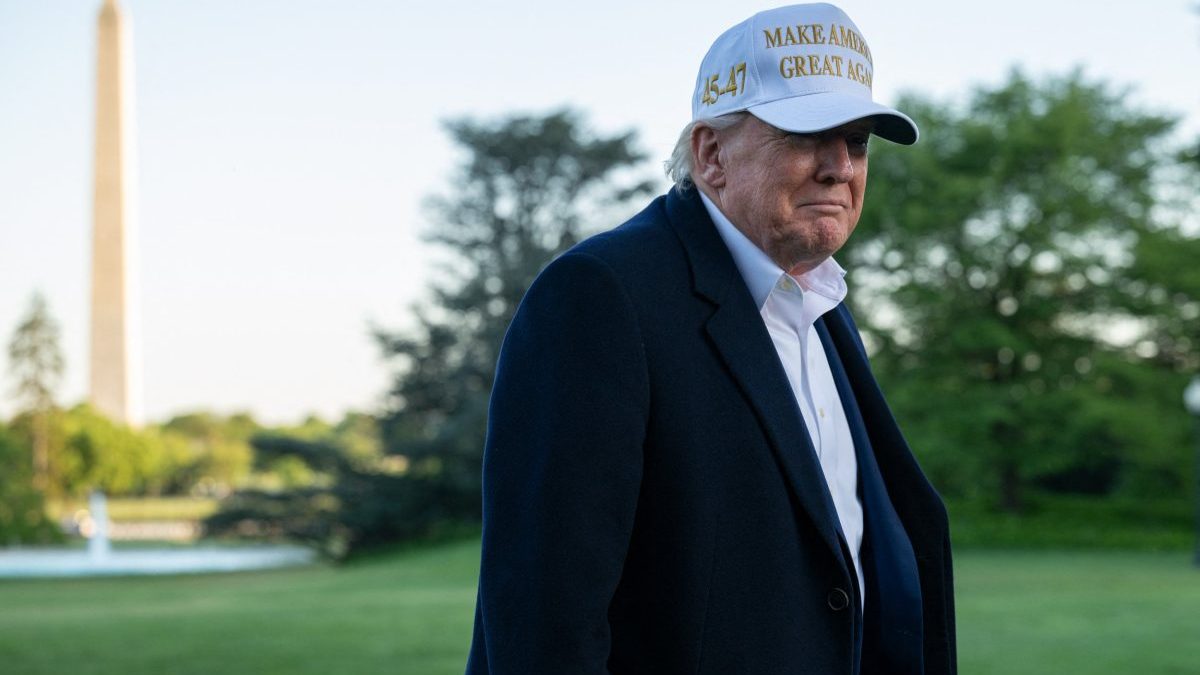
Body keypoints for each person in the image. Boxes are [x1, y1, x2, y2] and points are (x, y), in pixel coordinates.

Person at [465, 3, 956, 674]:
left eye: (858, 141)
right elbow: (542, 621)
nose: (841, 167)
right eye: (807, 135)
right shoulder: (599, 297)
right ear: (711, 154)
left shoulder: (822, 305)